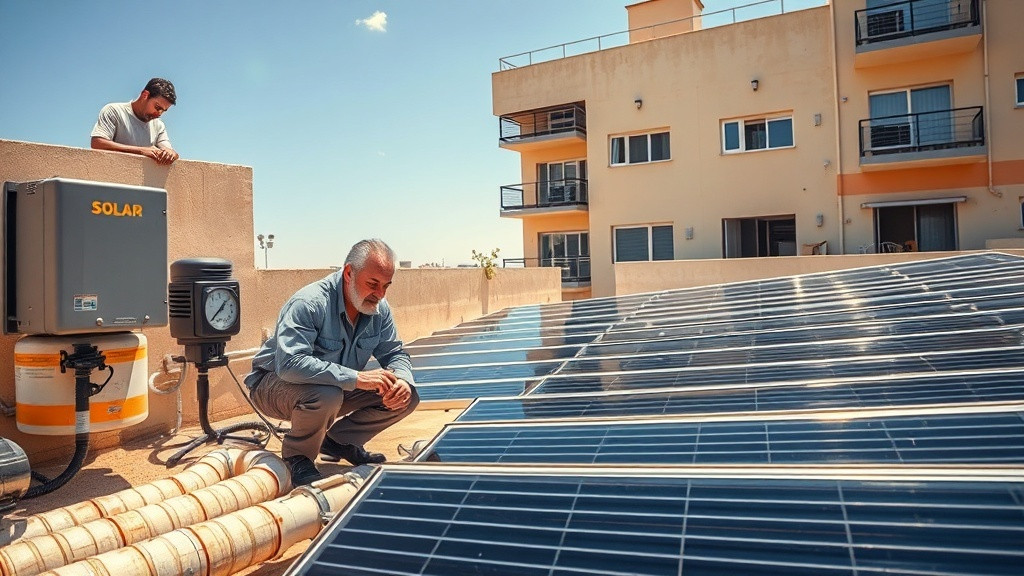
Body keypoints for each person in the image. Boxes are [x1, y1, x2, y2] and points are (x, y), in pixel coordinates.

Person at [244, 239, 419, 486]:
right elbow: (290, 363)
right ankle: (298, 457)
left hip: (333, 388)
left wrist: (402, 379)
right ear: (349, 273)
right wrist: (357, 378)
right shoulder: (309, 303)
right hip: (273, 386)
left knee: (406, 396)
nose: (380, 294)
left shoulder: (379, 308)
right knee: (327, 395)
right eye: (373, 284)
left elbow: (395, 353)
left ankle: (340, 442)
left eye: (386, 286)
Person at [91, 78, 179, 164]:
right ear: (145, 95)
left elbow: (168, 150)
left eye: (163, 110)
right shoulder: (114, 111)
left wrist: (171, 154)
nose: (159, 114)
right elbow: (97, 143)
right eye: (157, 107)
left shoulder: (159, 126)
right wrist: (141, 151)